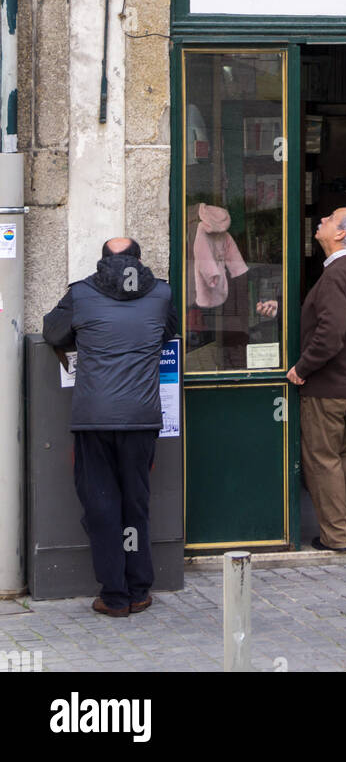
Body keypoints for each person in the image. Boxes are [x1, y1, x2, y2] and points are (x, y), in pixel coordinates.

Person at [42, 237, 178, 617]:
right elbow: (168, 331)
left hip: (95, 418)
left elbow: (53, 333)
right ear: (138, 260)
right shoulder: (162, 294)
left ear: (104, 261)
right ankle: (138, 589)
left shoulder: (81, 294)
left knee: (102, 504)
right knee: (135, 502)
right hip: (141, 417)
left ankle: (114, 595)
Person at [288, 205, 346, 552]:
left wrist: (302, 368)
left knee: (322, 460)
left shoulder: (338, 274)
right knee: (341, 454)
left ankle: (337, 535)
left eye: (329, 219)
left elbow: (330, 335)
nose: (322, 220)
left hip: (329, 388)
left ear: (340, 233)